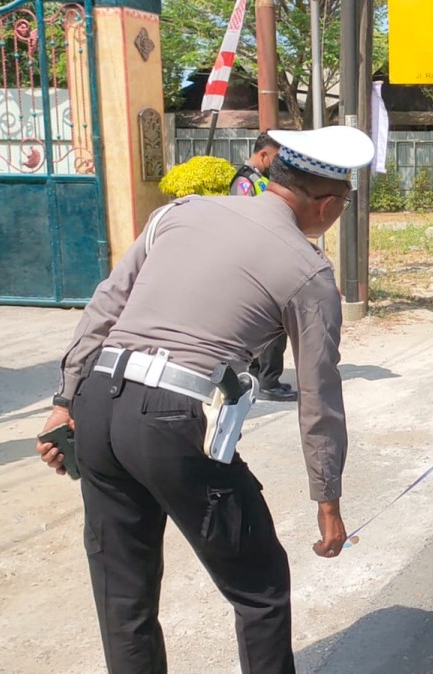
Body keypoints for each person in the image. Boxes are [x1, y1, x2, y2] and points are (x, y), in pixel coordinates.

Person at [34, 125, 375, 674]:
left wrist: (64, 401)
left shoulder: (180, 212)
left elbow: (104, 307)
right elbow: (319, 394)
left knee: (124, 593)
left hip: (99, 401)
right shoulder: (309, 270)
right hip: (170, 420)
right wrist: (328, 500)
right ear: (330, 203)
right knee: (260, 588)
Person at [230, 133, 297, 402]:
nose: (277, 162)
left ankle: (258, 377)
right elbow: (246, 220)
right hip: (258, 260)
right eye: (276, 156)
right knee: (274, 324)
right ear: (265, 155)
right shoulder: (245, 183)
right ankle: (268, 380)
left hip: (261, 258)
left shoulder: (258, 180)